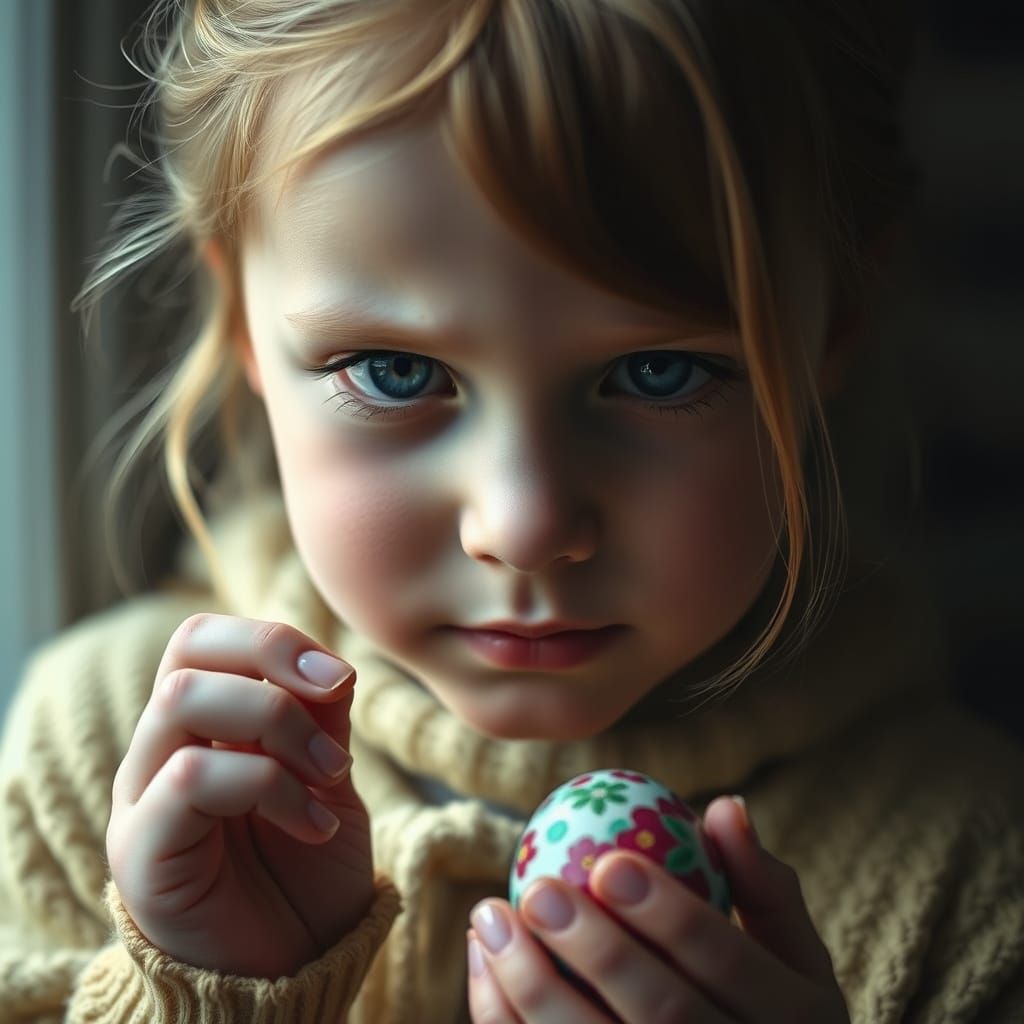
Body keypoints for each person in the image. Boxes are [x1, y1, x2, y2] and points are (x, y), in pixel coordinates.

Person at [2, 0, 1022, 1020]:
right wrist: (210, 997)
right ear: (242, 328)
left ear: (835, 320)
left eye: (657, 372)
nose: (525, 525)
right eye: (397, 372)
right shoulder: (106, 755)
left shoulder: (974, 881)